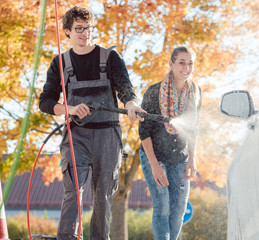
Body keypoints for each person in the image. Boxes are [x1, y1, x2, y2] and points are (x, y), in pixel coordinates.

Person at [39, 6, 145, 240]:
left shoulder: (110, 58)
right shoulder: (60, 63)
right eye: (79, 29)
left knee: (103, 196)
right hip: (76, 135)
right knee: (73, 192)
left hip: (108, 137)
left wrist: (131, 105)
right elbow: (45, 102)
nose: (85, 33)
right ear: (67, 31)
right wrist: (70, 109)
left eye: (88, 28)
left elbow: (126, 88)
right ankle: (67, 237)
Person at [138, 46, 202, 240]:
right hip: (154, 156)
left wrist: (192, 158)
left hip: (180, 157)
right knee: (163, 206)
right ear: (171, 64)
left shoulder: (196, 91)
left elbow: (193, 127)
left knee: (179, 208)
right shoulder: (154, 91)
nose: (186, 67)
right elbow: (144, 132)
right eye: (182, 62)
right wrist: (155, 166)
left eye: (190, 63)